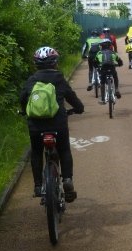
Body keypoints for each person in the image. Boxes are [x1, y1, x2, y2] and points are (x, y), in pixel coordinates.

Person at [20, 46, 84, 201]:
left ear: (36, 64)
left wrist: (23, 111)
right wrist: (79, 108)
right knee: (64, 150)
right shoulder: (59, 79)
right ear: (55, 63)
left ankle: (37, 185)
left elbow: (23, 99)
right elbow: (71, 97)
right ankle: (67, 180)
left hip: (36, 126)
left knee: (36, 152)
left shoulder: (32, 80)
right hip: (58, 124)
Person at [94, 38, 123, 102]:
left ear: (101, 46)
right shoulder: (113, 53)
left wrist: (97, 66)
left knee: (102, 82)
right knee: (115, 76)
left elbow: (95, 62)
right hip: (111, 68)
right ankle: (117, 90)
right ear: (110, 46)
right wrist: (120, 64)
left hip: (103, 69)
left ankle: (103, 99)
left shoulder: (99, 53)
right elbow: (119, 60)